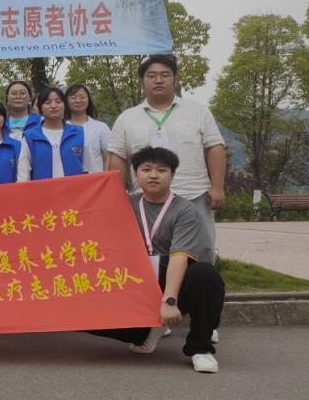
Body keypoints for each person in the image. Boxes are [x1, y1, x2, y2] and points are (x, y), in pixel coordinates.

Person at [89, 146, 224, 373]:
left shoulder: (184, 210)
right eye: (146, 169)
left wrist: (169, 301)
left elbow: (179, 257)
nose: (153, 175)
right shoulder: (125, 204)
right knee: (85, 313)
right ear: (135, 174)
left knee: (206, 275)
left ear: (172, 175)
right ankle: (147, 332)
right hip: (134, 281)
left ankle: (200, 348)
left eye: (161, 170)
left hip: (171, 279)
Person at [107, 54, 226, 258]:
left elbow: (215, 147)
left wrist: (217, 188)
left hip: (194, 194)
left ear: (176, 79)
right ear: (142, 82)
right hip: (146, 199)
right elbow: (117, 157)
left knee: (202, 252)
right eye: (151, 75)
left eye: (165, 75)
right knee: (146, 254)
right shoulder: (127, 118)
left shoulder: (198, 111)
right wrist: (116, 197)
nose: (158, 80)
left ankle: (201, 280)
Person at [19, 86, 90, 181]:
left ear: (65, 105)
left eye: (58, 102)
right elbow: (23, 173)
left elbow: (89, 168)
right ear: (40, 107)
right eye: (47, 103)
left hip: (75, 189)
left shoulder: (79, 133)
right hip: (43, 189)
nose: (53, 106)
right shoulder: (30, 136)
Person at [66, 83, 111, 173]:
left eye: (82, 97)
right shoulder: (61, 128)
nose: (78, 100)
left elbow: (108, 158)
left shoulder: (101, 127)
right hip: (69, 179)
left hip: (96, 178)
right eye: (73, 97)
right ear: (66, 101)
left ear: (88, 100)